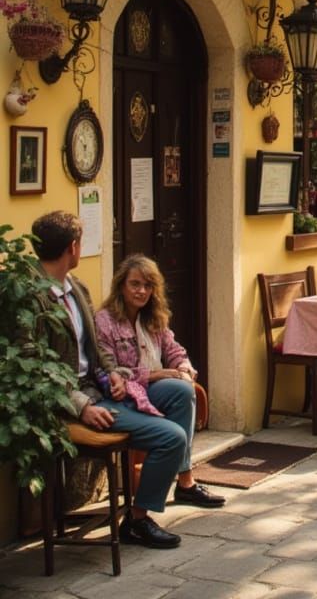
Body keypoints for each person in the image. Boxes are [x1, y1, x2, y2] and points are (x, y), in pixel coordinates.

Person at [28, 212, 187, 549]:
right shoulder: (34, 297)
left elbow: (95, 351)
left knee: (179, 392)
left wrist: (113, 373)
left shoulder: (77, 289)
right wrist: (82, 406)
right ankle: (138, 520)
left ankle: (179, 484)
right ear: (73, 247)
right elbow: (36, 368)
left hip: (101, 389)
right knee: (171, 437)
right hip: (75, 402)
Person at [95, 254, 224, 512]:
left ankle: (185, 482)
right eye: (135, 284)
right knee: (171, 431)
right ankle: (146, 509)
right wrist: (153, 374)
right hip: (122, 394)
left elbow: (174, 350)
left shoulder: (153, 317)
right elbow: (108, 370)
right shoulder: (105, 321)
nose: (141, 291)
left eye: (147, 285)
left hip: (147, 391)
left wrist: (184, 369)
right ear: (121, 285)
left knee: (182, 390)